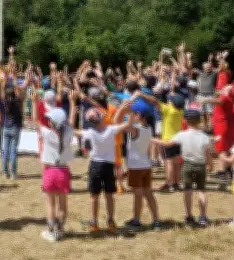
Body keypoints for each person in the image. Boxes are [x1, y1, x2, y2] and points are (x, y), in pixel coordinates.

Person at [153, 103, 213, 227]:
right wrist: (210, 165)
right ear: (200, 120)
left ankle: (189, 216)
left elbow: (168, 144)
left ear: (185, 120)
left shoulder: (181, 134)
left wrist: (154, 140)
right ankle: (202, 216)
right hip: (201, 166)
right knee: (201, 191)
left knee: (188, 191)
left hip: (187, 166)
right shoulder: (204, 136)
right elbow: (208, 154)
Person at [74, 96, 127, 233]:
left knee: (94, 196)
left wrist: (73, 108)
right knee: (109, 195)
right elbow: (127, 124)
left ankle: (95, 222)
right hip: (108, 166)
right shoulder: (111, 130)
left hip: (95, 165)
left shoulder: (90, 133)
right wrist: (127, 108)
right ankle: (111, 221)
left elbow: (74, 131)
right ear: (102, 118)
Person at [114, 98, 161, 229]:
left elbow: (116, 122)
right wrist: (128, 112)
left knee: (138, 194)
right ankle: (156, 220)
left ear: (138, 115)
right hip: (146, 166)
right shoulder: (148, 129)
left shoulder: (136, 129)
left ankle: (136, 219)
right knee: (149, 194)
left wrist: (124, 110)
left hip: (136, 167)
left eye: (134, 113)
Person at [39, 107, 73, 242]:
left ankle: (51, 231)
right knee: (63, 204)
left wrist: (35, 102)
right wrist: (71, 103)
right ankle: (60, 229)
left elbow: (36, 120)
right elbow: (70, 122)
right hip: (63, 171)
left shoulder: (47, 134)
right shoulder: (69, 133)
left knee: (50, 204)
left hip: (49, 171)